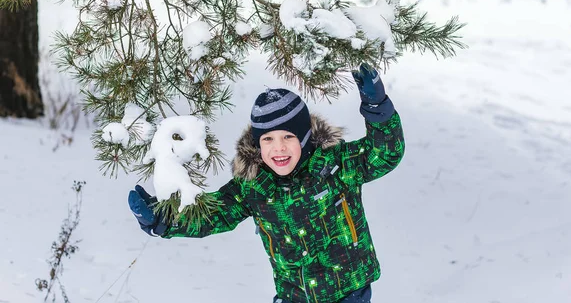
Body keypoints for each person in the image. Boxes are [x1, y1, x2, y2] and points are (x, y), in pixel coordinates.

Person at [128, 63, 405, 303]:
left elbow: (384, 154)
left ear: (305, 138)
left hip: (348, 292)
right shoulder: (254, 185)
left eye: (288, 137)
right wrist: (164, 219)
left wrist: (377, 108)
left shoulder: (337, 165)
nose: (278, 149)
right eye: (268, 140)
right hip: (293, 294)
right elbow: (213, 214)